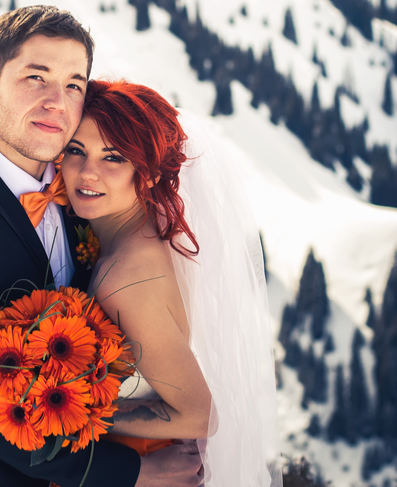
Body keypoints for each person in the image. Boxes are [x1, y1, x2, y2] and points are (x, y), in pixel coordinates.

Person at [0, 6, 205, 487]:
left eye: (74, 83)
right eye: (37, 77)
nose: (59, 102)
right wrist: (127, 471)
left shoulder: (83, 186)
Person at [59, 79, 281, 487]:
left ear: (145, 174)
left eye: (113, 158)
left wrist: (67, 411)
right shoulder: (149, 225)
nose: (87, 172)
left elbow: (200, 414)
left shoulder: (122, 279)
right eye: (76, 150)